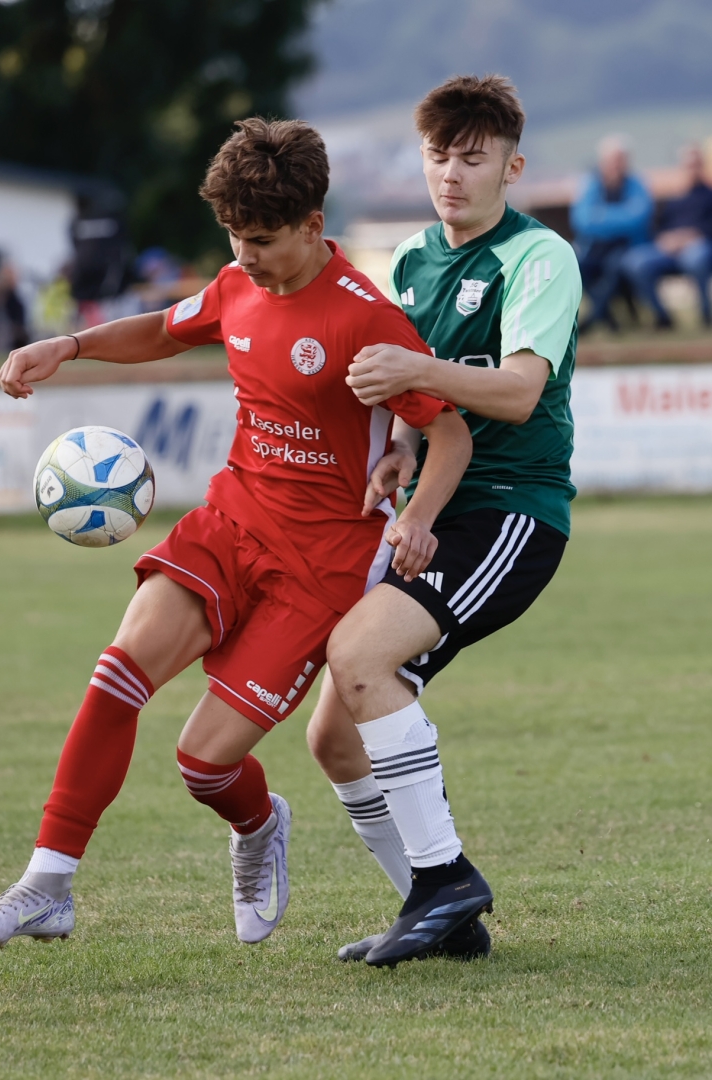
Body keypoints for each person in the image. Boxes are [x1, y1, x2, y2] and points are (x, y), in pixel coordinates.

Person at [0, 118, 472, 948]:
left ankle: (260, 825)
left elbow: (449, 432)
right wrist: (69, 345)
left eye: (261, 239)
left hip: (320, 568)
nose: (244, 255)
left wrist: (416, 514)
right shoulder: (235, 286)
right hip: (230, 524)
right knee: (117, 673)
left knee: (204, 762)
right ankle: (47, 884)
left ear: (313, 225)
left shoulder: (365, 320)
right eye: (233, 235)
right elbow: (165, 328)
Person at [305, 74, 582, 967]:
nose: (452, 175)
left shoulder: (538, 257)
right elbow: (415, 409)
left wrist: (413, 371)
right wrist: (398, 448)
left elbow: (519, 391)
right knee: (332, 736)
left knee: (358, 656)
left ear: (512, 167)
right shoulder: (413, 259)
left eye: (473, 158)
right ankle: (438, 917)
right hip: (434, 509)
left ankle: (446, 880)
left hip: (510, 512)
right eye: (438, 157)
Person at [622, 143, 712, 328]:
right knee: (635, 262)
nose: (692, 169)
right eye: (688, 165)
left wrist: (692, 236)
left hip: (699, 246)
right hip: (669, 251)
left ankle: (705, 315)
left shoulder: (708, 195)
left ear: (702, 165)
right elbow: (657, 226)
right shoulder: (672, 198)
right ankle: (662, 317)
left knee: (695, 258)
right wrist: (664, 240)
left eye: (695, 164)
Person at [570, 136, 653, 332]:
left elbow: (637, 220)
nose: (616, 164)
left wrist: (600, 216)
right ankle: (605, 316)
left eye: (620, 159)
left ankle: (594, 319)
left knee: (615, 267)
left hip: (628, 246)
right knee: (577, 266)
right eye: (612, 159)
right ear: (602, 161)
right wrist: (620, 216)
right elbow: (581, 220)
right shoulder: (590, 185)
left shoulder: (637, 185)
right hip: (594, 247)